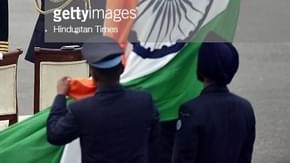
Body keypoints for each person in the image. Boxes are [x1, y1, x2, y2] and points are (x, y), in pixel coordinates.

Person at [47, 36, 159, 162]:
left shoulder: (81, 110)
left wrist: (60, 96)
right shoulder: (144, 101)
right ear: (121, 69)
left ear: (93, 74)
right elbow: (154, 139)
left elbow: (55, 135)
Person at [172, 35, 255, 163]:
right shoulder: (245, 108)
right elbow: (245, 155)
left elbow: (183, 158)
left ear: (202, 68)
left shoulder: (191, 110)